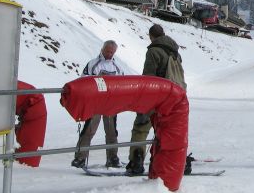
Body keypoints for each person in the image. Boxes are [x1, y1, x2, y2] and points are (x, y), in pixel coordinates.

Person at [125, 23, 186, 175]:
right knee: (167, 131)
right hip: (176, 97)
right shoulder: (176, 53)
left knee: (141, 127)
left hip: (157, 96)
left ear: (151, 36)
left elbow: (148, 77)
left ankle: (136, 161)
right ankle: (165, 162)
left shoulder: (153, 51)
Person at [71, 40, 125, 168]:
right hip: (95, 103)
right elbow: (83, 79)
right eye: (107, 51)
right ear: (102, 49)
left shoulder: (118, 67)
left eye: (112, 52)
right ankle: (80, 158)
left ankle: (112, 158)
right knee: (89, 129)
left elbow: (123, 83)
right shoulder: (93, 64)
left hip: (111, 103)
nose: (109, 54)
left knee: (111, 131)